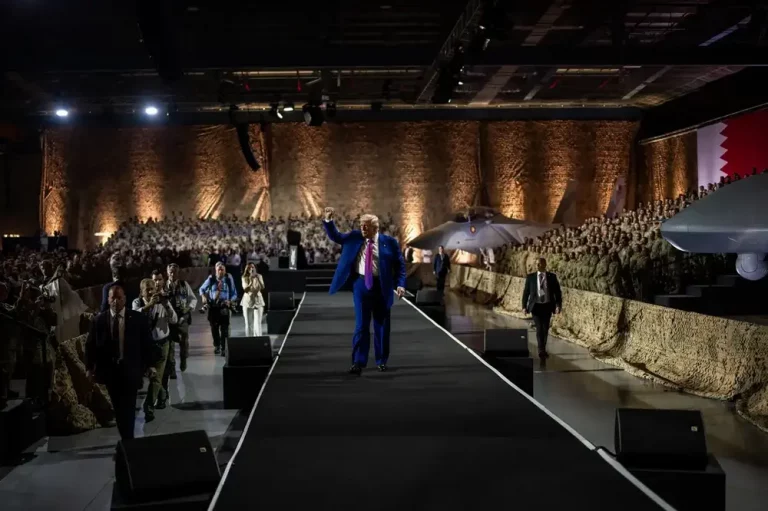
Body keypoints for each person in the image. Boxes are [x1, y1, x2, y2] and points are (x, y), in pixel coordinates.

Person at [322, 206, 406, 375]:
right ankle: (358, 362)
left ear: (375, 228)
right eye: (361, 225)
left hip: (382, 287)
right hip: (360, 285)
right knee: (361, 325)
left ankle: (381, 361)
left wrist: (400, 284)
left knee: (382, 326)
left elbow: (400, 266)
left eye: (366, 226)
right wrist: (328, 220)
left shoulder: (389, 242)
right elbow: (336, 236)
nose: (362, 229)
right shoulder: (354, 237)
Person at [85, 285, 154, 440]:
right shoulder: (99, 321)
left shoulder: (138, 319)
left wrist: (150, 365)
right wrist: (89, 368)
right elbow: (91, 346)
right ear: (108, 300)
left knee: (129, 407)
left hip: (131, 370)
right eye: (112, 298)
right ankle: (127, 440)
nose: (116, 301)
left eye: (119, 298)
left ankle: (128, 441)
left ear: (125, 299)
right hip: (110, 372)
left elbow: (146, 344)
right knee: (118, 408)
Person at [132, 278, 177, 420]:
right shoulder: (137, 303)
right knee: (149, 375)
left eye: (153, 289)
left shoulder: (162, 302)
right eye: (148, 290)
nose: (151, 292)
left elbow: (174, 320)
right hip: (144, 346)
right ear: (141, 292)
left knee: (156, 377)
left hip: (161, 344)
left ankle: (149, 408)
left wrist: (166, 305)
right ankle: (162, 395)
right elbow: (133, 318)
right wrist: (149, 306)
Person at [521, 257, 562, 360]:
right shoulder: (531, 277)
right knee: (539, 328)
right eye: (536, 264)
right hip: (536, 307)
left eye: (539, 264)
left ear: (544, 264)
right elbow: (526, 293)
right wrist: (524, 306)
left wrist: (558, 305)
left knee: (545, 329)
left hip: (547, 306)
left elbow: (557, 292)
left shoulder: (552, 277)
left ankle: (543, 348)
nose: (537, 266)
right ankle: (541, 350)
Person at [199, 262, 238, 356]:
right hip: (213, 307)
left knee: (225, 329)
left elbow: (234, 294)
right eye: (219, 269)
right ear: (216, 270)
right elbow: (201, 289)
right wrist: (203, 296)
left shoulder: (228, 279)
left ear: (225, 270)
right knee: (214, 328)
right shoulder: (211, 279)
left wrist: (230, 301)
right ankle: (217, 345)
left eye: (222, 269)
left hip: (224, 306)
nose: (220, 271)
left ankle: (224, 348)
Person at [165, 263, 197, 374]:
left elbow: (193, 299)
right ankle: (172, 368)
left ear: (178, 273)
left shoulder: (184, 284)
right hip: (168, 319)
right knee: (170, 345)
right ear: (167, 273)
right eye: (170, 272)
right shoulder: (163, 286)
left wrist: (188, 308)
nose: (172, 274)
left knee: (184, 342)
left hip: (182, 317)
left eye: (174, 272)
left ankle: (183, 360)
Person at [241, 262, 265, 336]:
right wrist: (251, 280)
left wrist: (257, 278)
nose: (251, 269)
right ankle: (249, 339)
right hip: (247, 301)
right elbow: (246, 290)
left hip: (258, 300)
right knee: (248, 323)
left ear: (255, 268)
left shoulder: (259, 276)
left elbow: (262, 287)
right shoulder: (244, 277)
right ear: (247, 269)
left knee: (258, 322)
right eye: (249, 268)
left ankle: (258, 338)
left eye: (252, 267)